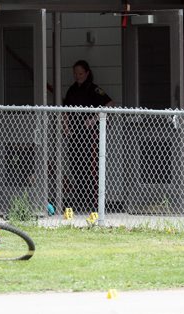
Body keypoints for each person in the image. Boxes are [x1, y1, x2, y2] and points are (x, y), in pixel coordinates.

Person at [63, 60, 114, 213]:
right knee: (75, 165)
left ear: (87, 73)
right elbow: (65, 109)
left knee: (89, 167)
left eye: (80, 73)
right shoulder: (72, 90)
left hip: (89, 135)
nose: (77, 76)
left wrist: (94, 119)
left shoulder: (93, 89)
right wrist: (65, 126)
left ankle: (92, 200)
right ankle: (79, 198)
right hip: (74, 134)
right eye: (75, 73)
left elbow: (110, 104)